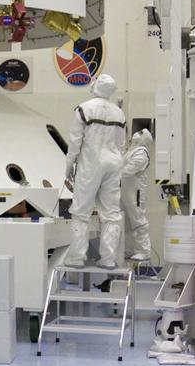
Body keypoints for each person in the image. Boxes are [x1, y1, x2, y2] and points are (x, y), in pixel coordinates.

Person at [63, 74, 125, 269]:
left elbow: (75, 141)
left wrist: (69, 164)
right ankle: (108, 259)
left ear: (96, 86)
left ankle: (76, 258)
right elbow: (121, 144)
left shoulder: (84, 109)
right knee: (111, 213)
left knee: (80, 212)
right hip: (114, 164)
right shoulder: (119, 113)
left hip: (91, 164)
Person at [121, 128, 153, 261]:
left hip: (135, 193)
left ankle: (143, 251)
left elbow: (129, 169)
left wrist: (113, 175)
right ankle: (128, 250)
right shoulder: (130, 151)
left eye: (140, 133)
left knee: (138, 221)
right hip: (124, 192)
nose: (136, 134)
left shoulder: (142, 152)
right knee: (126, 223)